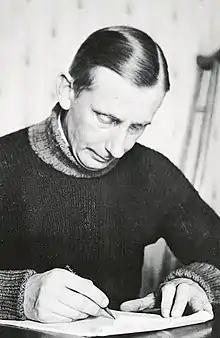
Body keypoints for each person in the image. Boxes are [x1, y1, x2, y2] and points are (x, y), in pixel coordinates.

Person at [0, 25, 220, 324]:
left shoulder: (153, 172)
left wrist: (198, 282)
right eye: (106, 119)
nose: (118, 149)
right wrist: (17, 295)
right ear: (67, 91)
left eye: (136, 126)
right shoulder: (4, 162)